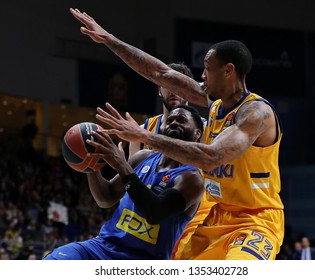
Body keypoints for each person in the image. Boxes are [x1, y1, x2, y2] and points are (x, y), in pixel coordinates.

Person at [70, 8, 284, 260]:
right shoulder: (214, 103)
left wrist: (145, 137)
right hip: (215, 214)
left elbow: (212, 157)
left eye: (207, 68)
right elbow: (161, 73)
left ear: (228, 71)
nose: (202, 75)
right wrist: (110, 40)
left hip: (254, 219)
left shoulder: (256, 113)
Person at [43, 105, 204, 260]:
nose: (174, 122)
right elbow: (106, 198)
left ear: (197, 134)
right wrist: (91, 165)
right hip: (103, 247)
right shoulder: (143, 157)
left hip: (144, 260)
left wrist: (121, 164)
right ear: (160, 129)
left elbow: (155, 212)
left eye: (181, 120)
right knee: (57, 259)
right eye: (169, 120)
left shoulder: (192, 178)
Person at [126, 61, 211, 259]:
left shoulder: (207, 130)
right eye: (168, 84)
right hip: (152, 218)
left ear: (190, 90)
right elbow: (132, 183)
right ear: (159, 89)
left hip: (195, 220)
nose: (174, 91)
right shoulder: (142, 129)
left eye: (180, 85)